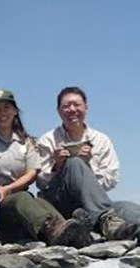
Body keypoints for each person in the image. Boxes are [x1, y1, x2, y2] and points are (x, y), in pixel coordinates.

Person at [0, 89, 86, 246]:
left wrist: (8, 189)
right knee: (22, 198)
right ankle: (51, 230)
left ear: (15, 111)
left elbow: (32, 173)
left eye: (6, 108)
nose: (2, 113)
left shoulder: (27, 142)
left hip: (18, 196)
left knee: (41, 202)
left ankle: (73, 232)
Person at [36, 86, 137, 241]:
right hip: (60, 203)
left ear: (86, 108)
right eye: (66, 106)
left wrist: (88, 167)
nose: (72, 109)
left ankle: (103, 223)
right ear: (58, 111)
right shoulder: (47, 140)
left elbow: (111, 180)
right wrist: (57, 166)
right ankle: (105, 222)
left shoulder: (101, 140)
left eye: (77, 105)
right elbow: (41, 183)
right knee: (75, 163)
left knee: (131, 210)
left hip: (92, 204)